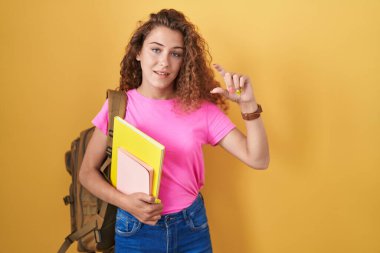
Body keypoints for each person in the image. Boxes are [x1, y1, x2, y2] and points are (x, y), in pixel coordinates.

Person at [79, 8, 269, 253]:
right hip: (135, 229)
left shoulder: (201, 109)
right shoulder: (118, 106)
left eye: (175, 54)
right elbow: (87, 173)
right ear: (138, 52)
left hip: (192, 228)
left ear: (184, 61)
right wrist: (126, 202)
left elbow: (259, 159)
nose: (164, 62)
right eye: (156, 49)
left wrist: (249, 105)